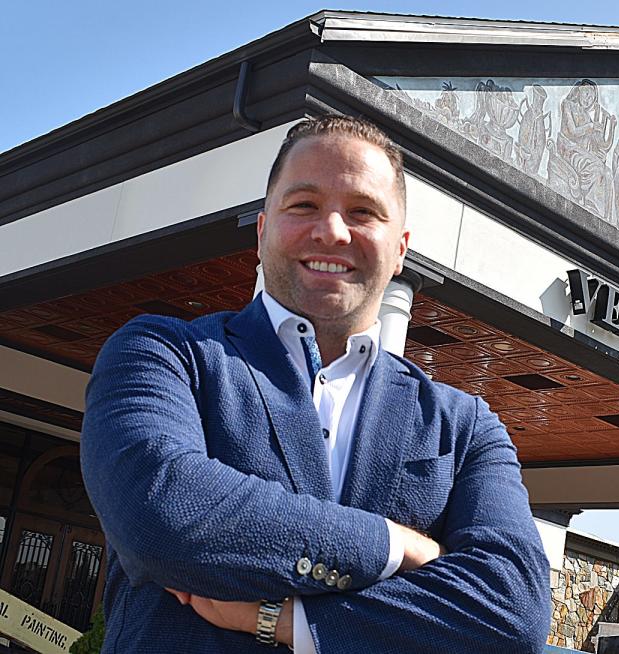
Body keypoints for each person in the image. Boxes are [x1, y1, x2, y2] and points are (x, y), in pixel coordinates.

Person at [80, 116, 552, 653]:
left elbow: (513, 613)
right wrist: (394, 546)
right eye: (303, 205)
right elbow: (161, 514)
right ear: (261, 232)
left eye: (363, 212)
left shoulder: (464, 429)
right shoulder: (164, 355)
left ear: (401, 249)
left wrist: (287, 622)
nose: (331, 230)